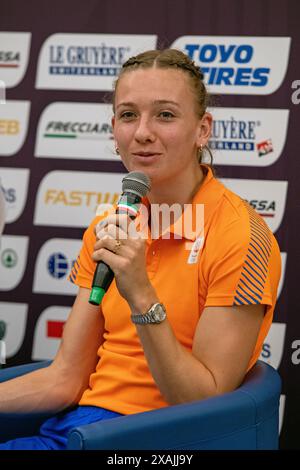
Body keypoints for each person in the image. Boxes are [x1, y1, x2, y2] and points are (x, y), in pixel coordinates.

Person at [0, 49, 281, 450]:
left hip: (150, 441)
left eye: (165, 115)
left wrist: (142, 294)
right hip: (78, 428)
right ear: (114, 128)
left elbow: (203, 406)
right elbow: (65, 378)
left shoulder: (243, 236)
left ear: (203, 130)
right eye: (129, 115)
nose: (142, 132)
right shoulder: (108, 225)